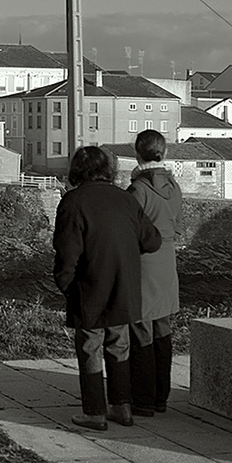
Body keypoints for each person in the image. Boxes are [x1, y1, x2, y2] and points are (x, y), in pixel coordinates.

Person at [53, 145, 161, 430]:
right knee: (119, 346)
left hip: (90, 284)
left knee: (90, 347)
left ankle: (95, 412)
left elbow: (67, 252)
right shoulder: (126, 200)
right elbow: (152, 241)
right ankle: (121, 407)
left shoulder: (73, 202)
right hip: (124, 283)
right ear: (108, 170)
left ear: (77, 170)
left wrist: (65, 284)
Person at [127, 129, 183, 416]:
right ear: (164, 153)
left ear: (137, 153)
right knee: (163, 332)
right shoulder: (174, 186)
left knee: (141, 333)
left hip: (143, 263)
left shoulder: (138, 189)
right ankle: (161, 396)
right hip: (167, 262)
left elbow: (127, 229)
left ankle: (143, 398)